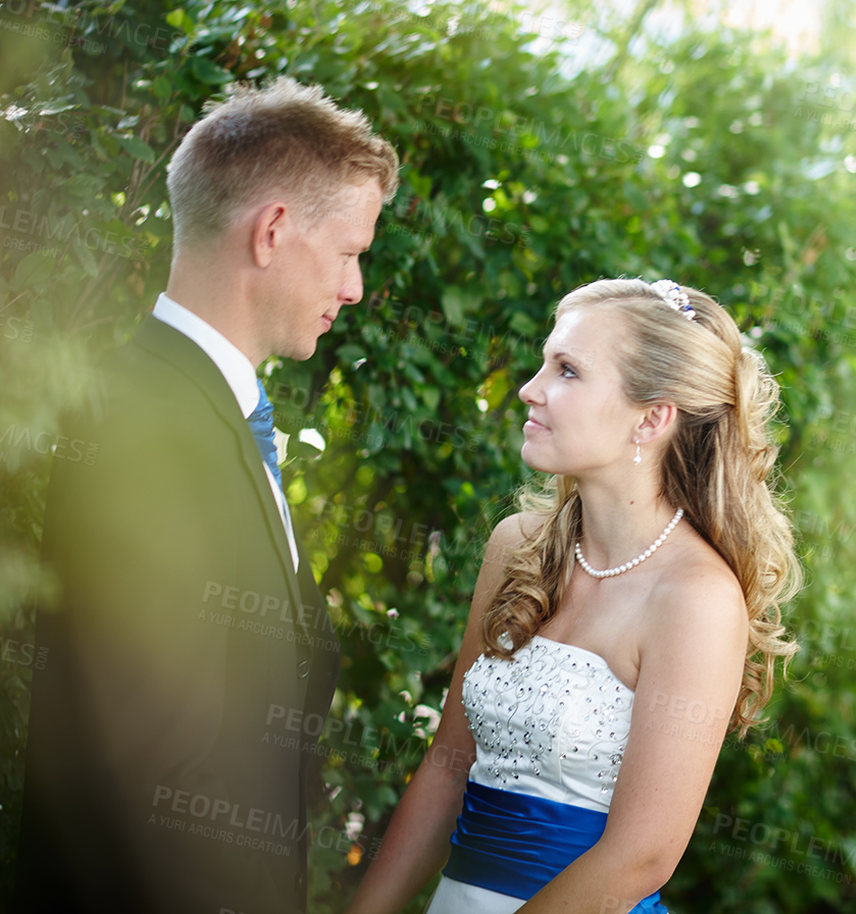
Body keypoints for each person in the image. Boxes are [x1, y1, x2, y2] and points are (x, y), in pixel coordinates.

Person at [14, 77, 400, 914]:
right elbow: (152, 760)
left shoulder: (210, 410)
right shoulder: (145, 420)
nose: (355, 288)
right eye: (349, 253)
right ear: (272, 232)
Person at [344, 277, 801, 914]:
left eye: (567, 370)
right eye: (544, 362)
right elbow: (450, 763)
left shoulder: (695, 600)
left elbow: (642, 853)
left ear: (652, 417)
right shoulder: (517, 546)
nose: (531, 389)